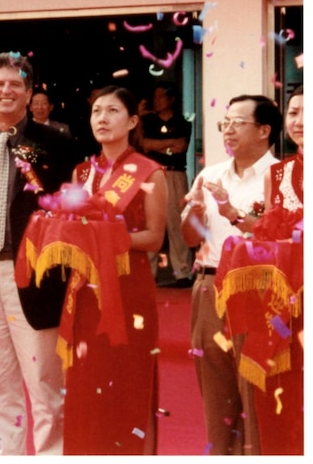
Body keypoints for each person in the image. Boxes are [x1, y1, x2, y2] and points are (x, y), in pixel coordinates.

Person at [0, 52, 76, 455]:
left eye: (16, 84)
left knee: (44, 383)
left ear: (29, 93)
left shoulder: (55, 143)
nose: (7, 91)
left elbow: (66, 208)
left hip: (34, 277)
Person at [66, 86, 167, 454]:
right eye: (96, 112)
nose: (102, 119)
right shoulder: (81, 173)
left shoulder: (150, 173)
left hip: (129, 289)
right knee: (86, 377)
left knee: (126, 379)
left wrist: (109, 236)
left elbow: (155, 238)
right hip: (86, 288)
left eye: (112, 111)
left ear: (133, 121)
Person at [181, 94, 283, 455]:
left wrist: (233, 212)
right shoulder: (210, 175)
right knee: (215, 387)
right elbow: (191, 239)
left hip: (257, 288)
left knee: (254, 386)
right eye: (225, 122)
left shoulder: (281, 177)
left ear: (264, 130)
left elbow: (278, 237)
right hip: (209, 285)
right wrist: (192, 213)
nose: (228, 129)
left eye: (238, 122)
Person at [140, 81, 193, 287]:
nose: (157, 100)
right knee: (150, 222)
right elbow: (144, 145)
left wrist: (158, 147)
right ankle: (149, 272)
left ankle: (181, 273)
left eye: (161, 96)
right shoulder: (147, 121)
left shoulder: (182, 121)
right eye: (155, 96)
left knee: (176, 223)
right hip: (151, 175)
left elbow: (180, 148)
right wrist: (168, 144)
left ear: (171, 99)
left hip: (175, 175)